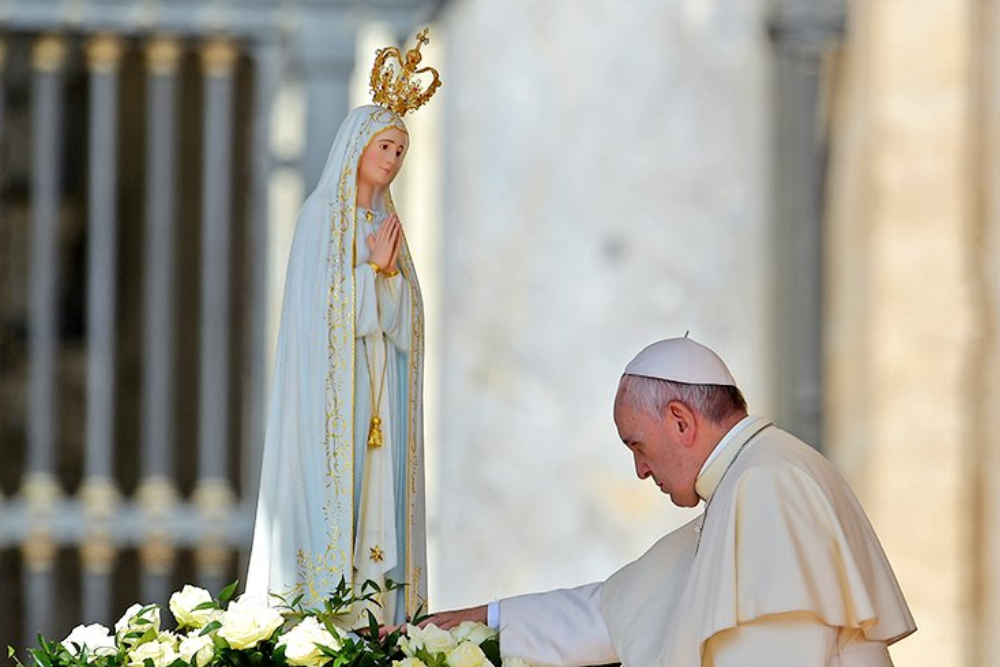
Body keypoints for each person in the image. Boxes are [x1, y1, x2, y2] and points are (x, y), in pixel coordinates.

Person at [428, 335, 916, 666]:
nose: (640, 470)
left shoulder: (767, 486)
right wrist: (482, 622)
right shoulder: (752, 476)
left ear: (681, 421)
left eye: (637, 445)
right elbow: (619, 607)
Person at [245, 30, 441, 625]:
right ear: (356, 145)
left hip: (380, 384)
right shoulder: (317, 220)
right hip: (337, 399)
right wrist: (370, 275)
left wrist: (387, 279)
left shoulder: (388, 226)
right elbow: (317, 316)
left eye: (401, 151)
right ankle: (329, 611)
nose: (393, 160)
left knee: (380, 497)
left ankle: (377, 609)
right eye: (385, 146)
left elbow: (409, 322)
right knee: (343, 498)